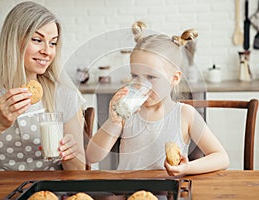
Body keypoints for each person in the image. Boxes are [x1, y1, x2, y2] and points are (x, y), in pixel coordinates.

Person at [86, 21, 229, 176]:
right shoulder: (127, 114)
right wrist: (112, 122)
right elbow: (92, 157)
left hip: (166, 192)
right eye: (135, 76)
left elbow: (221, 158)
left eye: (151, 77)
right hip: (129, 192)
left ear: (174, 78)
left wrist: (187, 168)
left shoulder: (185, 114)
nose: (141, 84)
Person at [0, 1, 86, 171]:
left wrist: (70, 154)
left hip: (51, 194)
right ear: (13, 41)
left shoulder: (65, 94)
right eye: (38, 40)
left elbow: (79, 171)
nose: (47, 51)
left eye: (53, 43)